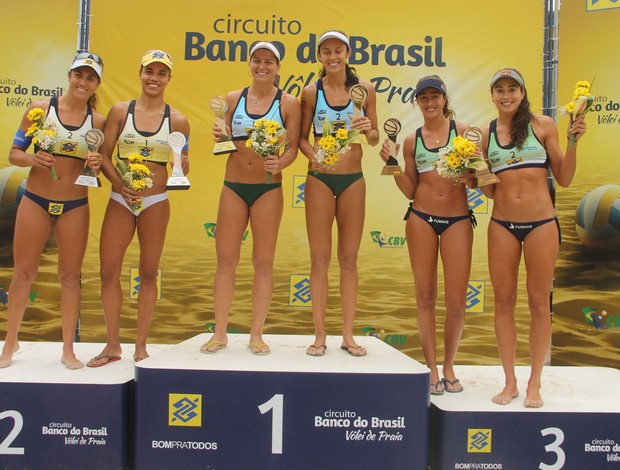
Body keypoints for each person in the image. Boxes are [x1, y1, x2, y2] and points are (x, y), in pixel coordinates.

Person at [482, 68, 586, 407]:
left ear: (523, 93)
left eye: (513, 88)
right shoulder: (484, 135)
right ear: (493, 95)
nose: (507, 95)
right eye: (500, 89)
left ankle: (534, 384)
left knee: (540, 304)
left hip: (541, 224)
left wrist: (572, 141)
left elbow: (565, 178)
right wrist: (469, 171)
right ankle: (510, 381)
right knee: (503, 302)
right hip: (502, 226)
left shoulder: (542, 125)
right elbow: (486, 192)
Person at [0, 52, 106, 369]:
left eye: (90, 77)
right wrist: (32, 159)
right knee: (23, 274)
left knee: (70, 277)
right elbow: (14, 153)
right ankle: (10, 344)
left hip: (75, 205)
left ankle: (68, 350)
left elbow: (97, 172)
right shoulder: (40, 110)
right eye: (79, 75)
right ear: (69, 76)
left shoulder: (98, 123)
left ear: (97, 83)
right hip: (35, 200)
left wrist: (97, 166)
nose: (83, 82)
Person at [87, 50, 190, 366]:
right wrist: (120, 187)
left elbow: (181, 168)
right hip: (121, 200)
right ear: (140, 74)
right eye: (149, 72)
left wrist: (183, 165)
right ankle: (112, 345)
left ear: (168, 79)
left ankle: (141, 346)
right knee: (108, 272)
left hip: (155, 202)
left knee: (148, 274)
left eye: (161, 73)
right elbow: (103, 155)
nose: (154, 78)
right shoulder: (120, 112)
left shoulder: (179, 120)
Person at [201, 41, 300, 355]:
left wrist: (280, 162)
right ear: (249, 63)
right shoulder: (232, 100)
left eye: (269, 61)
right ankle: (219, 333)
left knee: (263, 263)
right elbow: (224, 142)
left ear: (277, 67)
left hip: (268, 189)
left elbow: (293, 148)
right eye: (257, 60)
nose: (262, 66)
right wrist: (221, 137)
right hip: (234, 186)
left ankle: (256, 334)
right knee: (226, 261)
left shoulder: (289, 103)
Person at [379, 76, 475, 394]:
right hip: (420, 218)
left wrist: (470, 172)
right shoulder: (411, 140)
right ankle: (432, 368)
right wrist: (392, 163)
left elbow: (477, 182)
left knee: (457, 302)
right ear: (417, 102)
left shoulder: (464, 133)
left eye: (435, 96)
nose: (430, 102)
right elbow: (410, 189)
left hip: (458, 220)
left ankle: (449, 365)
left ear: (445, 99)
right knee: (425, 298)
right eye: (424, 97)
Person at [299, 31, 379, 357]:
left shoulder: (365, 90)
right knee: (319, 260)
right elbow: (301, 138)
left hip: (352, 181)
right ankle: (320, 336)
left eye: (338, 50)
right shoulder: (309, 92)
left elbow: (374, 138)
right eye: (326, 51)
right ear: (320, 56)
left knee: (348, 259)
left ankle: (348, 336)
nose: (333, 56)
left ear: (347, 53)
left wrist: (367, 130)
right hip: (319, 179)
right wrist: (313, 155)